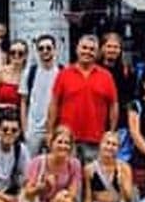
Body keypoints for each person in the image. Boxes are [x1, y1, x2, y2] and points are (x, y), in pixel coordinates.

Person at [46, 33, 118, 165]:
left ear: (97, 53)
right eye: (84, 48)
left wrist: (111, 132)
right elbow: (54, 104)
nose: (87, 52)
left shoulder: (106, 76)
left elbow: (113, 105)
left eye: (92, 50)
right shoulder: (64, 74)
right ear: (77, 49)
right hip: (67, 139)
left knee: (91, 177)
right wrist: (50, 131)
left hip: (95, 138)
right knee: (68, 176)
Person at [19, 33, 62, 155]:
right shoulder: (29, 73)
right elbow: (23, 101)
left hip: (55, 127)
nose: (45, 51)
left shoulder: (62, 72)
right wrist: (25, 128)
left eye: (48, 48)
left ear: (55, 49)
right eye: (41, 48)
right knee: (30, 165)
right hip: (33, 129)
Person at [99, 32, 135, 161]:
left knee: (120, 162)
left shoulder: (127, 71)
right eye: (109, 46)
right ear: (102, 48)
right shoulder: (95, 69)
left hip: (121, 125)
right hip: (98, 124)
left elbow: (130, 99)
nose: (112, 50)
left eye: (116, 47)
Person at [0, 39, 28, 133]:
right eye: (13, 53)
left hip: (17, 117)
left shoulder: (27, 75)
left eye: (20, 53)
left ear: (25, 56)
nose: (16, 56)